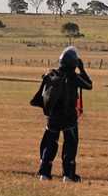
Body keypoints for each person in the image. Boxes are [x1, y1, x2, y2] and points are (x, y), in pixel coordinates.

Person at [31, 46, 92, 182]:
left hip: (52, 117)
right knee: (70, 144)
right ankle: (68, 175)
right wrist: (82, 69)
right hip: (69, 118)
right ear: (73, 63)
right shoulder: (74, 77)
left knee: (49, 144)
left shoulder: (51, 74)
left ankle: (44, 173)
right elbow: (89, 84)